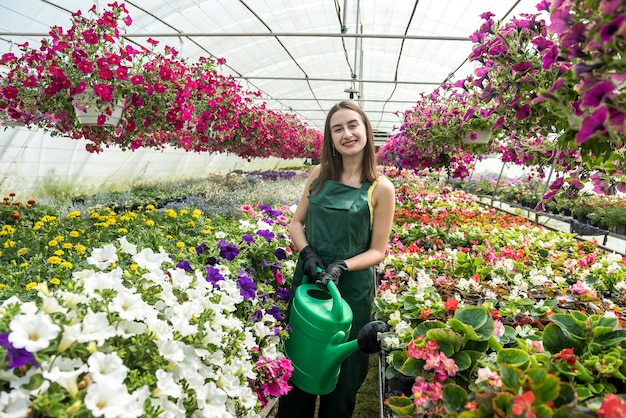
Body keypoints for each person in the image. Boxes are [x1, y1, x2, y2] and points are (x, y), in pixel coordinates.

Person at [276, 101, 396, 417]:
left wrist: (342, 265)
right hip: (311, 281)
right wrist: (308, 254)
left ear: (366, 130)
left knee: (343, 373)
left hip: (351, 290)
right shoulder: (319, 175)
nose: (347, 134)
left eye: (353, 125)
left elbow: (377, 250)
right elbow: (295, 222)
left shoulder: (380, 188)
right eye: (337, 128)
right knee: (299, 361)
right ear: (330, 137)